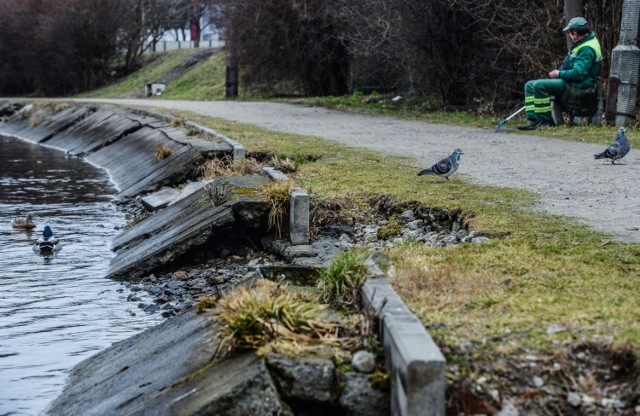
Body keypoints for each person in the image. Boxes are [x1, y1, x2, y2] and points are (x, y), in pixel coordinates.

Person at [518, 16, 602, 130]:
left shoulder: (587, 49)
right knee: (529, 85)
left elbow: (578, 74)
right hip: (570, 81)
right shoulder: (583, 42)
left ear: (575, 34)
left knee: (539, 85)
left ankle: (546, 121)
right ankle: (534, 120)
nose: (569, 35)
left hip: (579, 85)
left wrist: (559, 74)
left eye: (569, 33)